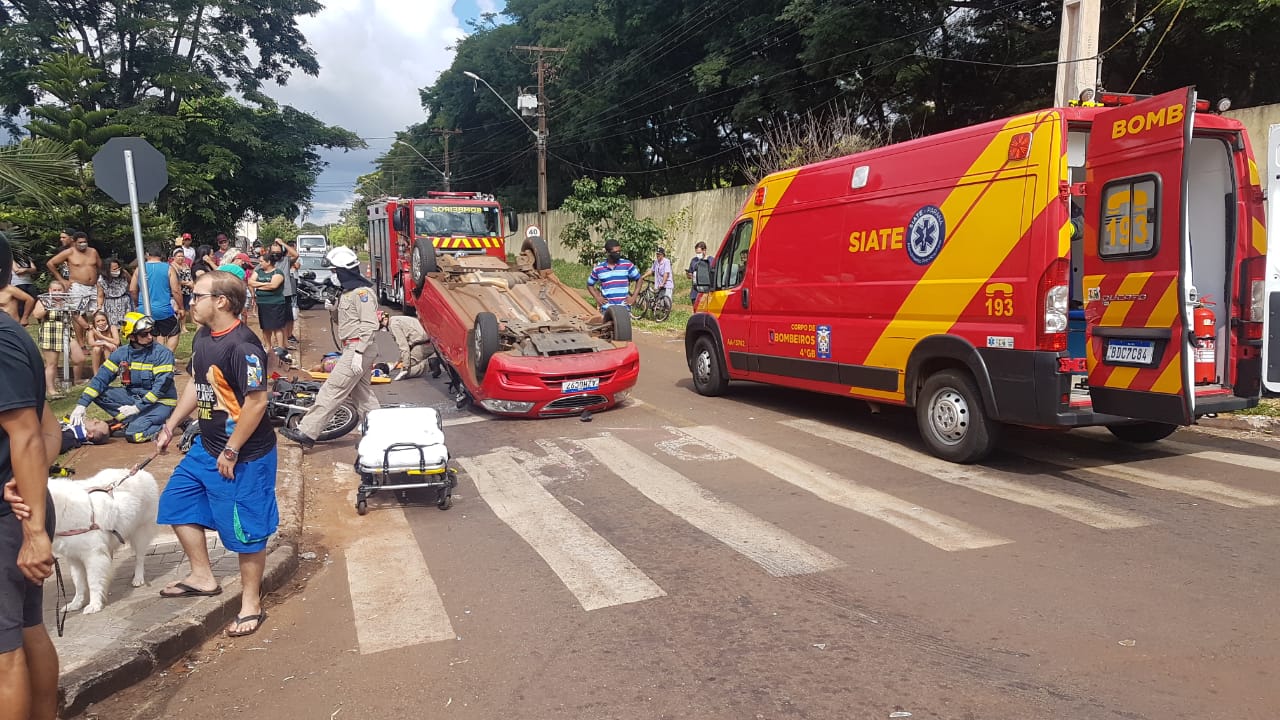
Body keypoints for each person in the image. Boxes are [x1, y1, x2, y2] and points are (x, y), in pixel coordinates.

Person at [154, 270, 277, 638]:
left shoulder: (243, 346)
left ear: (221, 301)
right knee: (176, 504)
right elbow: (198, 381)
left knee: (246, 531)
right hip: (207, 448)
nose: (190, 302)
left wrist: (232, 448)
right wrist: (172, 423)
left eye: (196, 296)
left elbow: (256, 403)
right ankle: (203, 576)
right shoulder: (205, 337)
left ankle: (251, 603)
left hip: (243, 456)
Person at [0, 231, 60, 720]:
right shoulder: (12, 334)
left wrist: (34, 529)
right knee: (24, 627)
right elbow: (47, 428)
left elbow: (26, 434)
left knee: (4, 652)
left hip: (10, 520)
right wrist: (31, 481)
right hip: (19, 507)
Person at [280, 246, 379, 449]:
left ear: (344, 271)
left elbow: (370, 325)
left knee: (332, 389)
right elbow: (344, 323)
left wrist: (359, 352)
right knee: (363, 396)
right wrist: (333, 309)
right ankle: (381, 430)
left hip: (358, 349)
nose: (333, 275)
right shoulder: (348, 293)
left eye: (334, 271)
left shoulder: (363, 294)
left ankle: (307, 431)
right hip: (352, 348)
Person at [68, 312, 176, 444]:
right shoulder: (121, 353)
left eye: (151, 332)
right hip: (134, 397)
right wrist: (81, 405)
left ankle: (169, 421)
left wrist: (137, 408)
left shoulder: (162, 354)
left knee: (134, 435)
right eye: (144, 334)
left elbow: (161, 388)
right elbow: (100, 379)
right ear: (131, 336)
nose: (150, 337)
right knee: (97, 392)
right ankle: (131, 420)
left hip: (160, 401)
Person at [45, 231, 100, 348]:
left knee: (97, 313)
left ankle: (97, 340)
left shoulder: (93, 251)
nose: (83, 244)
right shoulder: (69, 252)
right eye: (80, 242)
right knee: (78, 313)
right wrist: (62, 280)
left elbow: (100, 266)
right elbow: (51, 263)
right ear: (74, 242)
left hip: (94, 286)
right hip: (77, 286)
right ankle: (81, 344)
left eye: (85, 242)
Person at [31, 282, 88, 395]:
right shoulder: (44, 300)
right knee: (52, 363)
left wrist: (88, 327)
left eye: (59, 290)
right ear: (50, 290)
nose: (57, 292)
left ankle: (77, 380)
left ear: (64, 291)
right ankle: (51, 389)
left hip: (66, 332)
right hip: (50, 332)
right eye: (54, 290)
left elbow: (76, 315)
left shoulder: (67, 300)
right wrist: (50, 306)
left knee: (79, 358)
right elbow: (37, 315)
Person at [129, 244, 184, 353]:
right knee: (174, 332)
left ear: (147, 255)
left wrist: (137, 304)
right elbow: (176, 290)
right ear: (161, 255)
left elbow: (132, 289)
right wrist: (181, 307)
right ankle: (167, 355)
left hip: (144, 309)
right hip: (164, 310)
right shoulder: (168, 268)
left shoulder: (139, 268)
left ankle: (153, 357)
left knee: (150, 334)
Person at [587, 238, 640, 317]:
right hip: (606, 310)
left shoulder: (627, 265)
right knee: (607, 329)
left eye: (619, 251)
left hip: (624, 308)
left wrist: (634, 297)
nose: (618, 253)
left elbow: (639, 278)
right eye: (615, 252)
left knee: (623, 329)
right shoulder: (599, 268)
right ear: (608, 253)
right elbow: (589, 284)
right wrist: (597, 297)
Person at [247, 250, 287, 351]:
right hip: (262, 303)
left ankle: (280, 348)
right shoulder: (259, 271)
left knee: (277, 327)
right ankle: (268, 347)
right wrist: (266, 285)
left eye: (261, 261)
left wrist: (259, 285)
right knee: (265, 327)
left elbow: (274, 286)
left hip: (275, 303)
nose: (260, 264)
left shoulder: (278, 272)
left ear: (268, 262)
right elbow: (251, 282)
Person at [379, 310, 434, 380]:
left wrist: (405, 368)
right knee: (406, 360)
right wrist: (396, 363)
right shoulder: (395, 319)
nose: (381, 327)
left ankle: (431, 364)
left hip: (424, 344)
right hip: (428, 339)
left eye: (380, 325)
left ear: (385, 319)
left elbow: (404, 348)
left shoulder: (393, 325)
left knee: (406, 371)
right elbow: (405, 347)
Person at [98, 257, 132, 327]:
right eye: (114, 269)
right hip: (111, 305)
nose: (117, 270)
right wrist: (99, 307)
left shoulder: (124, 274)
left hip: (125, 302)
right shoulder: (101, 280)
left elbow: (131, 282)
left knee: (127, 325)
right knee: (113, 326)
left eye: (118, 268)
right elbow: (100, 295)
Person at [10, 252, 37, 318]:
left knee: (34, 298)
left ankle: (27, 316)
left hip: (29, 283)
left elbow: (34, 270)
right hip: (17, 283)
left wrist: (24, 270)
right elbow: (17, 271)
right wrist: (28, 270)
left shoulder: (27, 258)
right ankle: (20, 318)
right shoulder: (12, 258)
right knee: (20, 303)